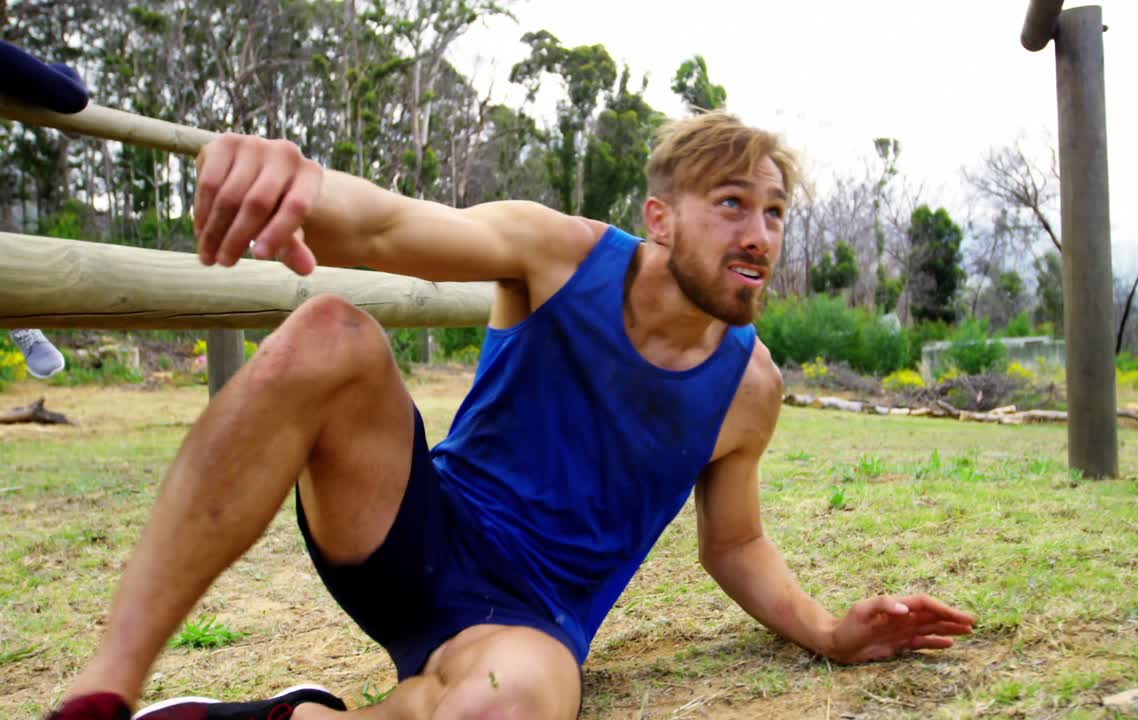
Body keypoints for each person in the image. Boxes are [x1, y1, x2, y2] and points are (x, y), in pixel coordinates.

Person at [49, 111, 975, 720]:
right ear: (660, 218)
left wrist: (825, 630)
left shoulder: (751, 388)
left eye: (774, 214)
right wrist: (297, 182)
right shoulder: (555, 254)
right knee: (332, 331)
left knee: (509, 702)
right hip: (415, 533)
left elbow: (732, 544)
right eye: (732, 205)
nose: (759, 236)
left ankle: (301, 716)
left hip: (531, 624)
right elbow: (381, 229)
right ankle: (102, 693)